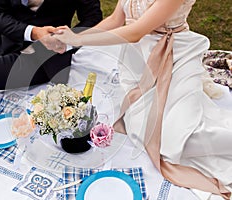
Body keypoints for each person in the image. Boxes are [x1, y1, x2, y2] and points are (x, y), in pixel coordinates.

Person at [52, 0, 232, 199]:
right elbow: (115, 19)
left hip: (176, 54)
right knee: (140, 128)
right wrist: (73, 39)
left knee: (180, 138)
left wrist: (76, 41)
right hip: (140, 58)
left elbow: (135, 31)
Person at [0, 0, 102, 123]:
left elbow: (93, 17)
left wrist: (68, 40)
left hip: (42, 58)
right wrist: (34, 32)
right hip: (6, 40)